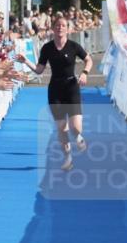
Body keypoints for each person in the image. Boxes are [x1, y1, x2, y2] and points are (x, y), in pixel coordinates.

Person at [16, 15, 92, 171]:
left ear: (68, 29)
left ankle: (78, 137)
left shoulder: (74, 46)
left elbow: (88, 60)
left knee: (75, 128)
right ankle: (68, 158)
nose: (60, 28)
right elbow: (39, 70)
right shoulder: (47, 48)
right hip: (55, 90)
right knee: (61, 128)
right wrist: (26, 62)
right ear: (52, 28)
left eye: (63, 25)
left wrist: (85, 73)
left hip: (72, 88)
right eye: (57, 25)